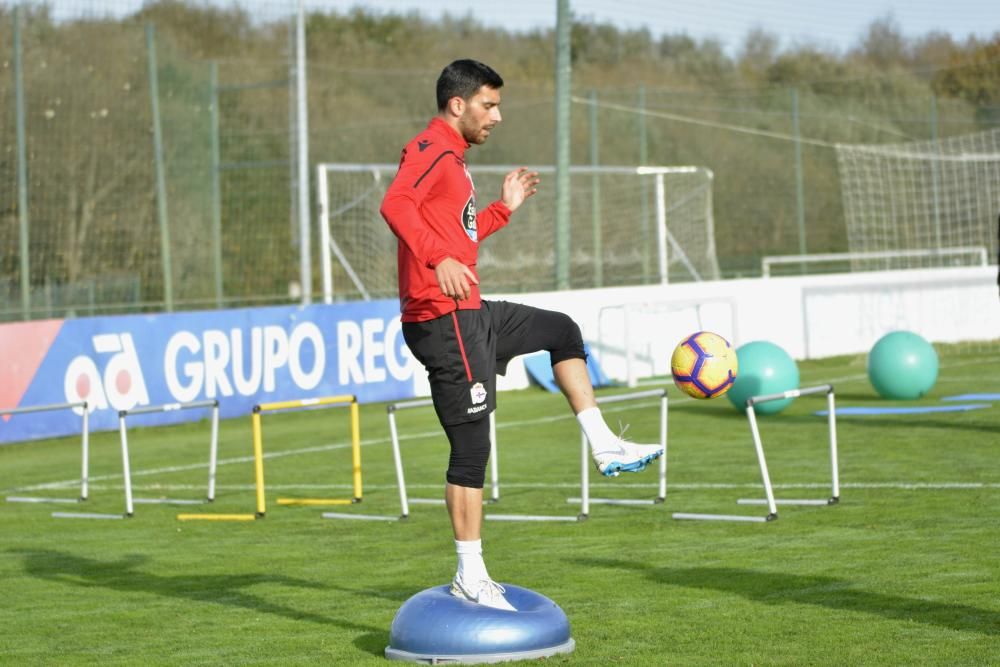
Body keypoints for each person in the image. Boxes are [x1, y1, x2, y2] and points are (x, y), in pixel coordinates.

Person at [380, 59, 663, 612]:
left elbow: (457, 237)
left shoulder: (455, 161)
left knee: (562, 331)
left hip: (469, 311)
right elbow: (396, 205)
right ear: (457, 105)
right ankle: (470, 575)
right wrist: (436, 259)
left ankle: (604, 444)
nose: (498, 116)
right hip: (442, 321)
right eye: (489, 105)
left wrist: (501, 211)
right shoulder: (430, 148)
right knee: (472, 450)